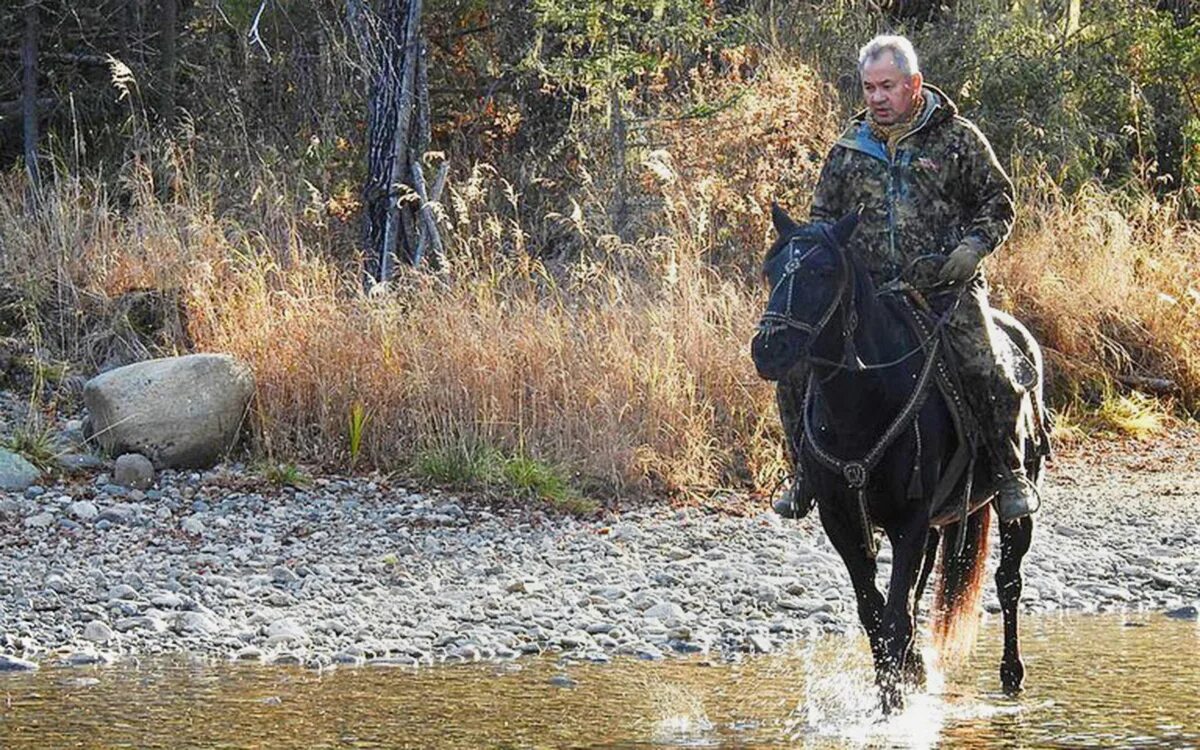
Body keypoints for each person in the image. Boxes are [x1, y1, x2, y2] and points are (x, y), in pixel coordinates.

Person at [773, 33, 1039, 523]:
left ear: (914, 84)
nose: (876, 97)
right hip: (867, 296)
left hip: (944, 289)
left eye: (887, 86)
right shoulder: (847, 150)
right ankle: (802, 474)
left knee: (985, 365)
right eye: (869, 87)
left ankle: (1007, 472)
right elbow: (822, 221)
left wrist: (972, 248)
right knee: (794, 366)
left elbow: (999, 203)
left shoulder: (958, 139)